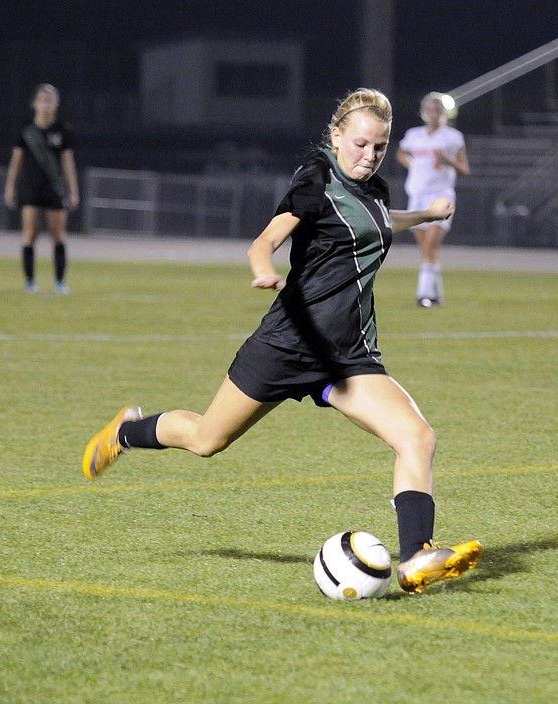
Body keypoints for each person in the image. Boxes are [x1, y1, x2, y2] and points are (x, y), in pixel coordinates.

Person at [81, 88, 481, 594]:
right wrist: (262, 268)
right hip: (287, 345)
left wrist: (425, 214)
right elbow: (266, 240)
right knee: (207, 440)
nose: (369, 156)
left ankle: (417, 558)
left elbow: (379, 220)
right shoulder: (315, 180)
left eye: (379, 147)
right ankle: (126, 432)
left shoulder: (374, 189)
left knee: (417, 437)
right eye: (360, 144)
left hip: (347, 357)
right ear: (336, 136)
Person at [4, 83, 79, 294]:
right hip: (30, 187)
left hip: (55, 188)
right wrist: (10, 187)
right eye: (42, 100)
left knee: (58, 234)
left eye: (50, 100)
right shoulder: (26, 130)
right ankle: (29, 282)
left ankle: (60, 282)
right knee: (30, 234)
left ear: (56, 104)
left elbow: (68, 162)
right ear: (35, 103)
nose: (45, 104)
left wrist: (73, 191)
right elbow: (16, 161)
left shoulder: (62, 130)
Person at [396, 92, 469, 308]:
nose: (434, 113)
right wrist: (414, 166)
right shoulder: (414, 135)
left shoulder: (453, 137)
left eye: (438, 110)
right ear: (424, 112)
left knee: (431, 244)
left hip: (441, 196)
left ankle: (424, 295)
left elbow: (464, 168)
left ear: (444, 113)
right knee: (427, 250)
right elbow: (400, 153)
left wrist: (447, 160)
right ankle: (436, 296)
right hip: (417, 195)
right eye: (431, 109)